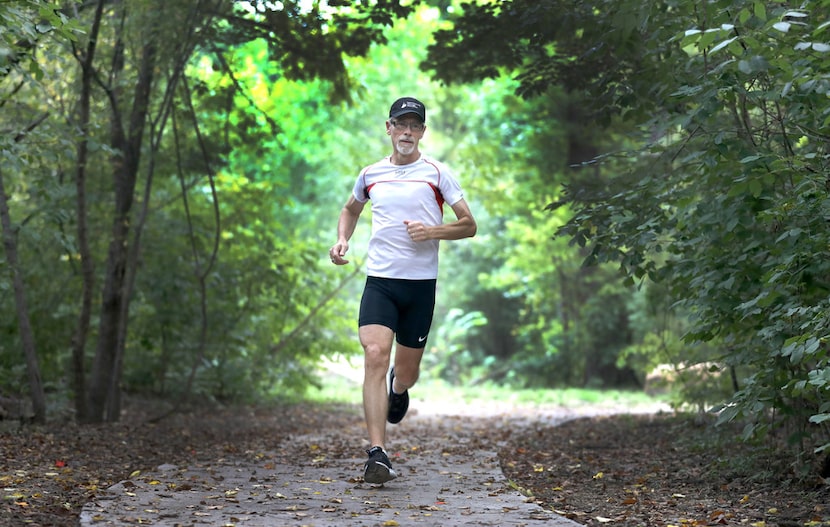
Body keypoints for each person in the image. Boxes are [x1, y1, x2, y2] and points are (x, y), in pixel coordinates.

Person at [329, 96, 477, 484]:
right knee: (375, 352)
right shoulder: (370, 174)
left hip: (419, 287)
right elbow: (350, 209)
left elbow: (469, 224)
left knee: (406, 373)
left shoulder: (437, 173)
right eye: (401, 124)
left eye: (415, 126)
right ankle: (377, 453)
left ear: (422, 132)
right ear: (389, 128)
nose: (407, 132)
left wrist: (432, 232)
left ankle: (399, 386)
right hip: (380, 281)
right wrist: (342, 240)